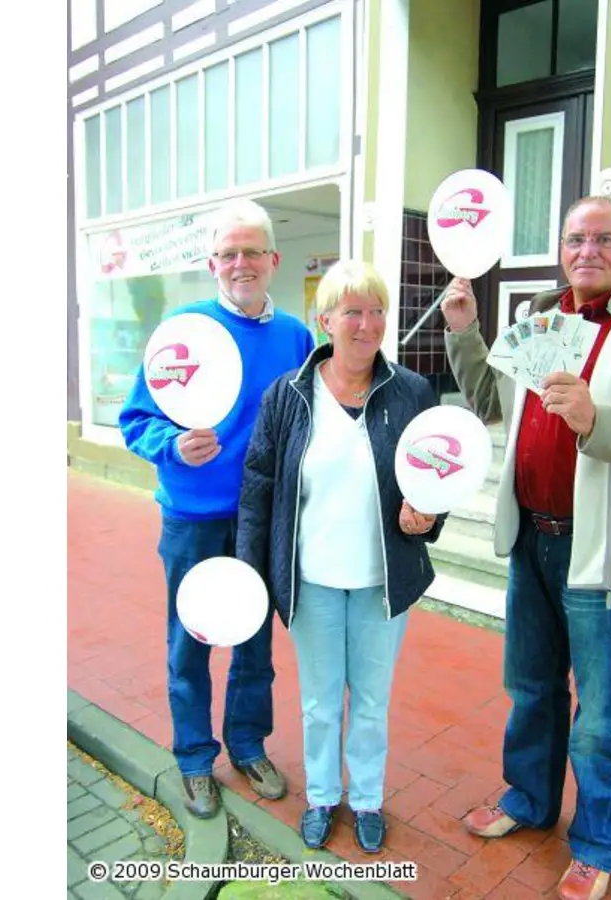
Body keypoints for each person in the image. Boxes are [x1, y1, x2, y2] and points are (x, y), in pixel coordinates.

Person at [438, 196, 611, 900]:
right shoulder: (541, 317)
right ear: (561, 248)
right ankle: (530, 801)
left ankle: (598, 842)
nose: (587, 250)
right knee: (531, 688)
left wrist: (598, 419)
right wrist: (465, 333)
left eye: (604, 238)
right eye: (575, 239)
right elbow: (489, 399)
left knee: (601, 711)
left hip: (603, 554)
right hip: (532, 537)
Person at [236, 259, 445, 855]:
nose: (367, 323)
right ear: (324, 319)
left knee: (372, 702)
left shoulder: (411, 392)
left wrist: (426, 517)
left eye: (377, 310)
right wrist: (254, 574)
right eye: (353, 311)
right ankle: (324, 795)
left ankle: (368, 799)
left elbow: (438, 476)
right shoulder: (289, 395)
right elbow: (258, 487)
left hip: (385, 580)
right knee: (322, 700)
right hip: (312, 582)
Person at [119, 198, 315, 819]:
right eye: (228, 253)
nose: (241, 263)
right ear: (212, 263)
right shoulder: (184, 330)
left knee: (254, 639)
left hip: (261, 518)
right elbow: (136, 419)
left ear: (273, 259)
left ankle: (249, 745)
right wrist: (170, 445)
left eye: (252, 251)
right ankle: (195, 759)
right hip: (194, 516)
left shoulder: (296, 337)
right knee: (192, 641)